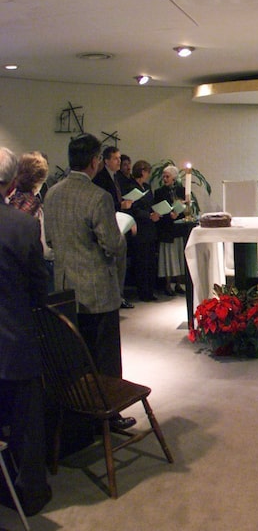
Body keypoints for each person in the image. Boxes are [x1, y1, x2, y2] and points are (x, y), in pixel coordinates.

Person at [43, 133, 135, 431]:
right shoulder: (98, 196)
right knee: (105, 357)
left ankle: (80, 417)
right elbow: (112, 244)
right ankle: (108, 416)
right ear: (95, 162)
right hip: (97, 289)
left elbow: (50, 240)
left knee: (77, 357)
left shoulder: (52, 193)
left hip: (65, 290)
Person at [0, 146, 52, 516]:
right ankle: (28, 494)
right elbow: (39, 288)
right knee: (26, 423)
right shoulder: (21, 225)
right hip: (14, 340)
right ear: (12, 182)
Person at [93, 145, 134, 309]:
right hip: (109, 224)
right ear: (107, 160)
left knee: (120, 263)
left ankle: (119, 295)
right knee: (114, 263)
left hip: (119, 223)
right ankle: (116, 296)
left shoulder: (115, 177)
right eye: (116, 158)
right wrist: (121, 204)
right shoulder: (101, 178)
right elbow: (104, 203)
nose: (119, 161)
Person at [7, 150, 55, 291]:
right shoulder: (35, 207)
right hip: (33, 267)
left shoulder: (11, 200)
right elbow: (45, 250)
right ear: (39, 180)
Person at [125, 160, 160, 301]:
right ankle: (143, 291)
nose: (148, 175)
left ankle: (150, 290)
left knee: (150, 260)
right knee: (141, 261)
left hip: (150, 227)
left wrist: (156, 213)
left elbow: (150, 204)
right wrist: (149, 215)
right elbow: (133, 209)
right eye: (147, 172)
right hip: (139, 227)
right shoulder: (130, 186)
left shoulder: (146, 186)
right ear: (142, 171)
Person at [154, 164, 187, 296]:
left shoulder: (181, 190)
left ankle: (178, 283)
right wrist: (169, 214)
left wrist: (178, 213)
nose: (165, 179)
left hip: (178, 228)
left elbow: (186, 208)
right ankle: (168, 284)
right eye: (163, 177)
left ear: (174, 178)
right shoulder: (159, 192)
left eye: (167, 176)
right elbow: (157, 209)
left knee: (179, 256)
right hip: (166, 228)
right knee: (168, 258)